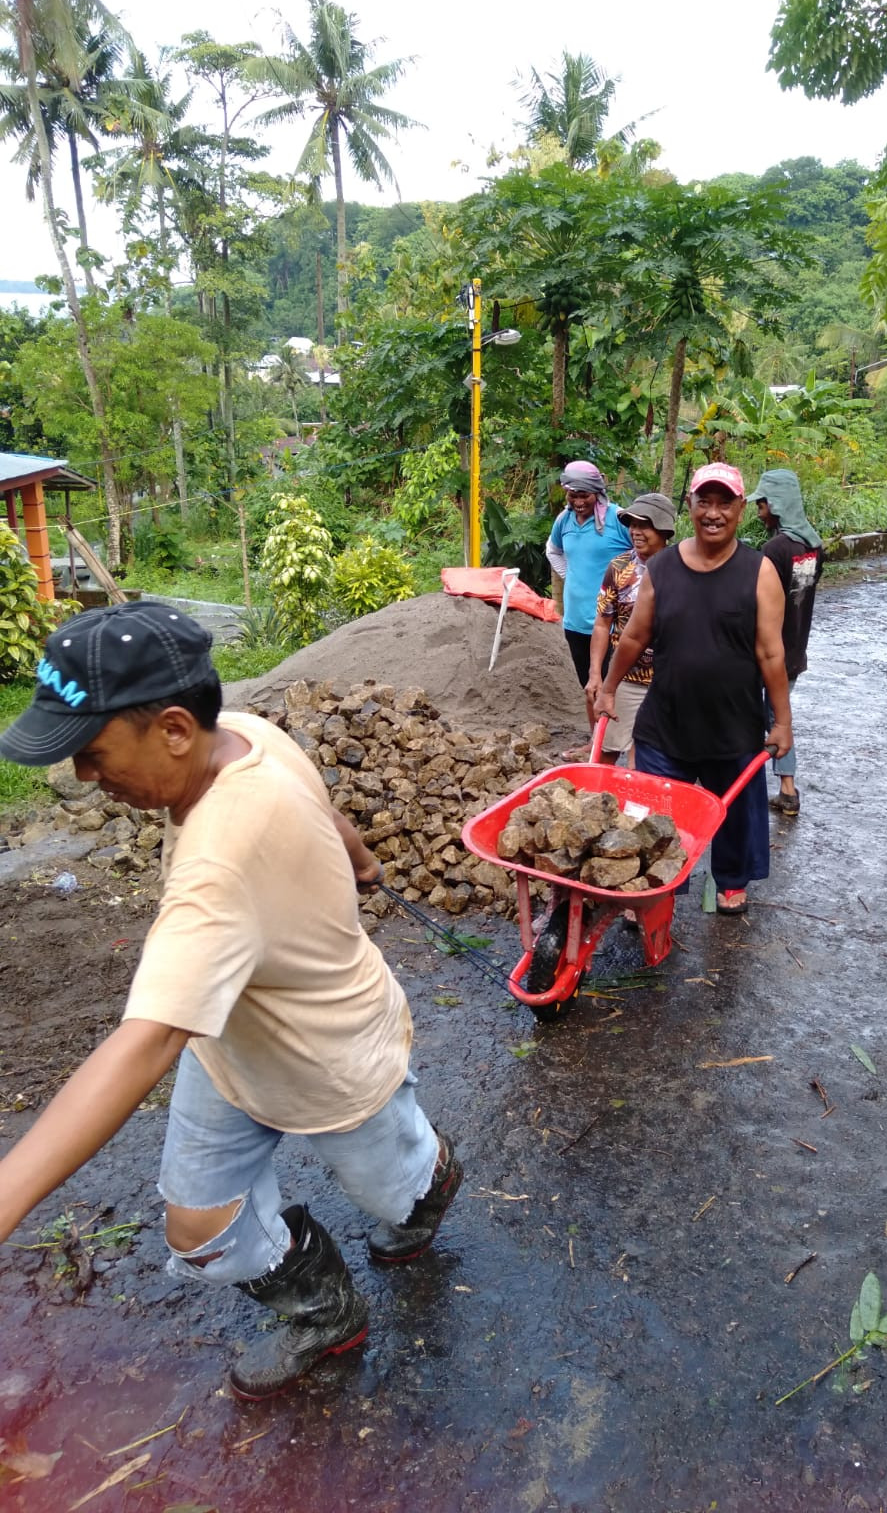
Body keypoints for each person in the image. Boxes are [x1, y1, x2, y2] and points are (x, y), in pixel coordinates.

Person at [0, 601, 462, 1401]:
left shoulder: (219, 863)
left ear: (175, 729)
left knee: (398, 1198)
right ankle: (325, 1311)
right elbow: (321, 804)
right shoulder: (245, 732)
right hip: (231, 1046)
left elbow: (145, 1042)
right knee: (201, 1228)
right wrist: (357, 859)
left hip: (331, 1054)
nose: (83, 775)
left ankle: (431, 1176)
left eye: (93, 750)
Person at [593, 463, 792, 916]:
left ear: (741, 508)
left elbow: (771, 655)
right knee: (658, 817)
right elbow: (635, 637)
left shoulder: (759, 571)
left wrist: (782, 721)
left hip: (734, 724)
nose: (714, 513)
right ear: (691, 506)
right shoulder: (662, 568)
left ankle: (731, 881)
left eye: (726, 503)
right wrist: (607, 688)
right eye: (706, 501)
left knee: (733, 813)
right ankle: (653, 889)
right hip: (667, 724)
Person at [750, 468, 823, 816]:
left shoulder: (775, 549)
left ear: (776, 504)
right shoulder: (813, 545)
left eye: (762, 504)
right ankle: (785, 787)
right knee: (778, 713)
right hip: (796, 648)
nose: (759, 511)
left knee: (769, 717)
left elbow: (760, 604)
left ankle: (786, 789)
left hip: (768, 650)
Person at [585, 491, 675, 765]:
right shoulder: (619, 568)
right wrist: (596, 674)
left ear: (663, 529)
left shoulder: (681, 568)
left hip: (667, 680)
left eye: (644, 525)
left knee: (647, 758)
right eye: (633, 525)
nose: (636, 532)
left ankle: (638, 806)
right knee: (606, 748)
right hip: (625, 677)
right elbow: (603, 623)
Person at [545, 460, 632, 690]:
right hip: (575, 621)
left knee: (611, 689)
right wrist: (570, 575)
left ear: (597, 491)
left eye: (584, 495)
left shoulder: (619, 518)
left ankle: (609, 728)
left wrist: (629, 588)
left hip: (613, 624)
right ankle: (595, 728)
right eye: (572, 496)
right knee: (589, 686)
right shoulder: (564, 520)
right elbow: (552, 551)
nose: (578, 502)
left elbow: (645, 554)